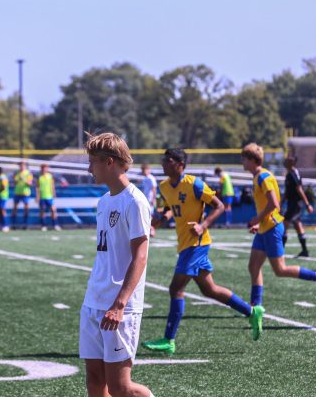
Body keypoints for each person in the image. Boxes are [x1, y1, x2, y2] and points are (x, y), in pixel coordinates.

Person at [142, 148, 263, 356]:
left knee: (175, 289)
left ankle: (169, 340)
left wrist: (203, 225)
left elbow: (219, 206)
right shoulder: (164, 186)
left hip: (197, 243)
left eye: (167, 160)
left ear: (180, 164)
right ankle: (252, 312)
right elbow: (169, 209)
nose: (163, 164)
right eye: (163, 160)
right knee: (210, 290)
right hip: (185, 243)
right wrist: (155, 223)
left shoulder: (194, 184)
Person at [80, 132, 155, 397]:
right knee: (95, 381)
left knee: (120, 387)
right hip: (94, 301)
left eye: (93, 162)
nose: (89, 169)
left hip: (119, 306)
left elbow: (141, 256)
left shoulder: (134, 201)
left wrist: (119, 304)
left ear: (109, 162)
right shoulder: (103, 201)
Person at [241, 143, 316, 309]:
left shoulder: (263, 177)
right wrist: (259, 223)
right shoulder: (257, 176)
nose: (242, 161)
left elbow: (274, 204)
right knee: (253, 266)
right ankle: (256, 306)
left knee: (280, 270)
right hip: (265, 227)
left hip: (272, 227)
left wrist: (257, 219)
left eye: (244, 158)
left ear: (252, 160)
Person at [281, 157, 313, 257]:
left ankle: (280, 251)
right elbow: (287, 192)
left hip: (295, 204)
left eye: (286, 161)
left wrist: (307, 204)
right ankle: (305, 250)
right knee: (297, 225)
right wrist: (280, 203)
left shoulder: (293, 174)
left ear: (291, 163)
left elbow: (299, 189)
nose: (284, 162)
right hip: (292, 203)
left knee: (285, 224)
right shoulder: (289, 174)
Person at [37, 164, 61, 231]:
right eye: (43, 168)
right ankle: (43, 226)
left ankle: (55, 225)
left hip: (49, 197)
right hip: (42, 197)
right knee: (42, 211)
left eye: (45, 168)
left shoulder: (50, 176)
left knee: (53, 210)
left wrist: (54, 193)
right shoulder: (39, 177)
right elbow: (37, 187)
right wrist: (37, 196)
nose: (44, 169)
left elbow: (52, 185)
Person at [12, 161, 33, 229]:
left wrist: (24, 179)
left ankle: (25, 224)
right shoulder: (16, 173)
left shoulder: (28, 173)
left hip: (25, 193)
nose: (21, 167)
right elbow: (14, 183)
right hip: (17, 192)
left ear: (25, 166)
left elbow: (30, 184)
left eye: (23, 165)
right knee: (15, 209)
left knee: (26, 209)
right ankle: (14, 224)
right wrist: (17, 180)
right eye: (20, 165)